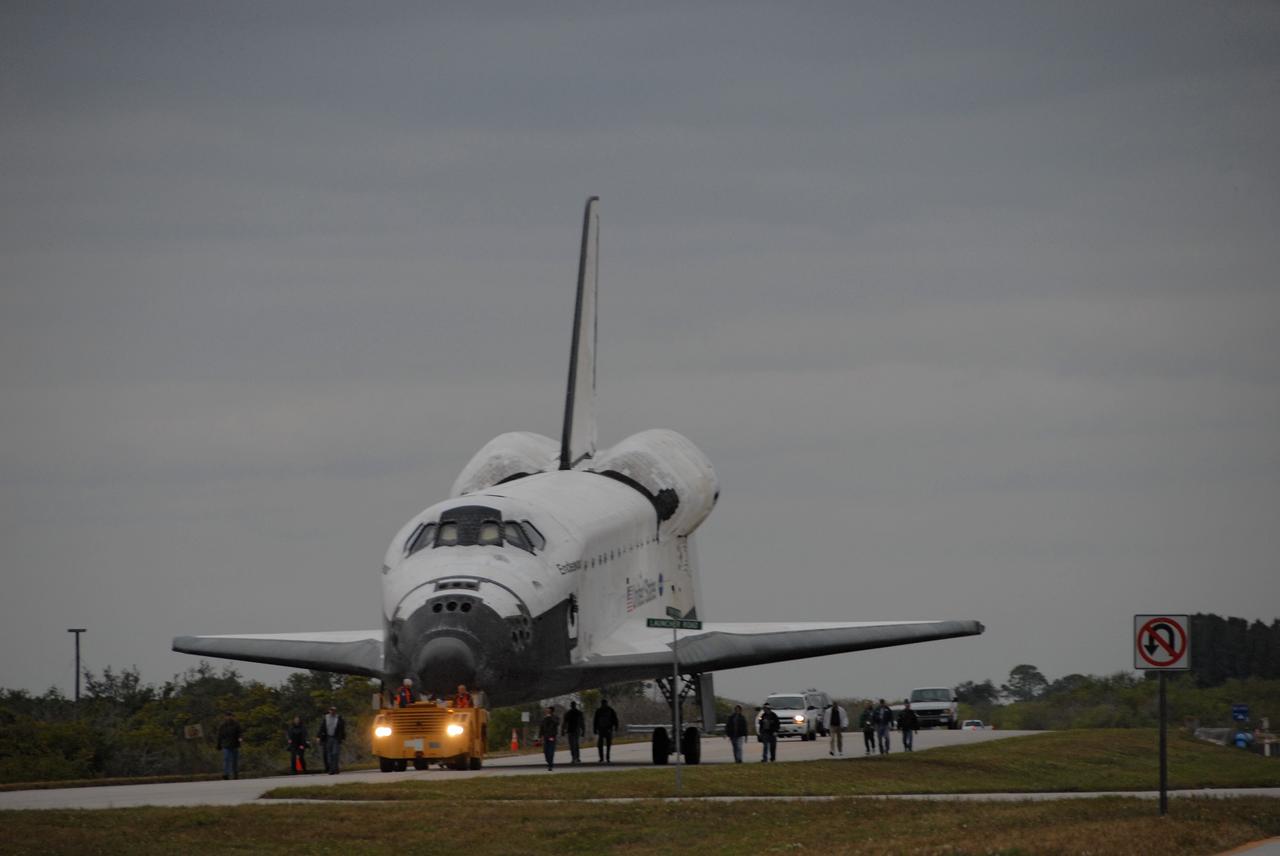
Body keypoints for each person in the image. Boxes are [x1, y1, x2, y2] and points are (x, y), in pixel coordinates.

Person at [316, 705, 346, 775]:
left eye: (334, 710)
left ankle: (335, 768)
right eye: (331, 710)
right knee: (329, 754)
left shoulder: (339, 718)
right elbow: (322, 728)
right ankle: (332, 769)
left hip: (336, 738)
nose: (332, 711)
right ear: (329, 711)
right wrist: (318, 736)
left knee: (335, 753)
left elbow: (342, 729)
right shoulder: (326, 718)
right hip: (328, 738)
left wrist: (343, 737)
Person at [216, 711, 243, 780]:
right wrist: (219, 745)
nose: (229, 717)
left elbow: (240, 733)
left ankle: (235, 774)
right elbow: (220, 736)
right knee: (226, 759)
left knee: (234, 761)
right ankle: (226, 774)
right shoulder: (222, 726)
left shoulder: (236, 725)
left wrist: (240, 738)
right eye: (227, 716)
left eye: (230, 716)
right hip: (226, 745)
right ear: (225, 717)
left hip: (235, 745)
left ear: (232, 717)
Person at [593, 697, 619, 764]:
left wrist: (616, 726)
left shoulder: (606, 710)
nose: (603, 704)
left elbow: (615, 719)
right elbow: (595, 720)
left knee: (606, 744)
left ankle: (606, 758)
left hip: (607, 729)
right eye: (603, 703)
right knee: (603, 745)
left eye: (604, 703)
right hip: (604, 730)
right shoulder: (603, 710)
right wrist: (595, 729)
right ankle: (603, 758)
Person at [562, 700, 585, 764]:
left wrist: (583, 731)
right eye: (572, 705)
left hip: (575, 731)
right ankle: (574, 758)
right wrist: (563, 730)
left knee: (574, 745)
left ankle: (576, 758)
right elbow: (564, 722)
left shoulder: (578, 713)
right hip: (571, 731)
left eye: (573, 705)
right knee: (573, 745)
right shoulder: (568, 713)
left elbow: (582, 722)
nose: (573, 706)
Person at [539, 706, 559, 770]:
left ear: (552, 711)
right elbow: (541, 727)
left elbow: (557, 723)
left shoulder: (555, 717)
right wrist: (540, 736)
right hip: (545, 736)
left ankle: (550, 765)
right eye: (547, 711)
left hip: (552, 736)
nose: (547, 712)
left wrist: (550, 718)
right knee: (545, 751)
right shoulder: (544, 718)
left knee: (551, 750)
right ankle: (549, 761)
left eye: (549, 711)